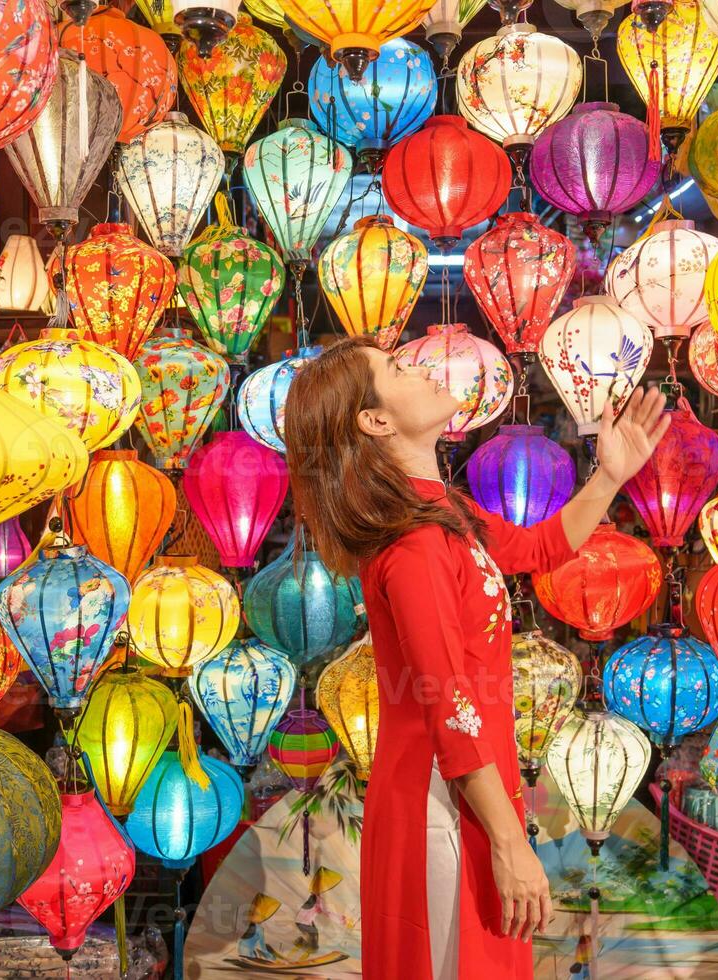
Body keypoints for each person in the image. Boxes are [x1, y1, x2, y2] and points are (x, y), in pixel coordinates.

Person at [283, 336, 670, 980]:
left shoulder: (443, 511)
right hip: (441, 799)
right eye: (401, 369)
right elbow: (447, 702)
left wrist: (611, 475)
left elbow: (540, 548)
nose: (424, 368)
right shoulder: (414, 546)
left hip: (465, 788)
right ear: (376, 421)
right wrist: (510, 842)